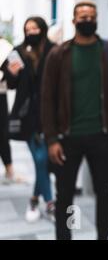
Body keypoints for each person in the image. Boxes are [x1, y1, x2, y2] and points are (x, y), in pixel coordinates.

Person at [41, 0, 108, 240]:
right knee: (65, 196)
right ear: (73, 21)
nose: (87, 20)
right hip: (67, 138)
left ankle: (103, 236)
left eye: (91, 16)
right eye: (82, 17)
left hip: (103, 136)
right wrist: (51, 139)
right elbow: (47, 98)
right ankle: (64, 236)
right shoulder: (58, 54)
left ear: (97, 19)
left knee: (104, 192)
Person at [0, 18, 56, 222]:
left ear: (42, 29)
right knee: (40, 158)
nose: (31, 31)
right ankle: (50, 203)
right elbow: (11, 83)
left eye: (35, 28)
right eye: (27, 28)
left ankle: (34, 198)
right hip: (27, 114)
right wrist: (11, 73)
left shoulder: (54, 50)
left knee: (46, 160)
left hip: (50, 112)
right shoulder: (18, 51)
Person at [0, 36, 14, 184]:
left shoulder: (4, 47)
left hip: (0, 94)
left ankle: (9, 167)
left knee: (2, 133)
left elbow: (13, 75)